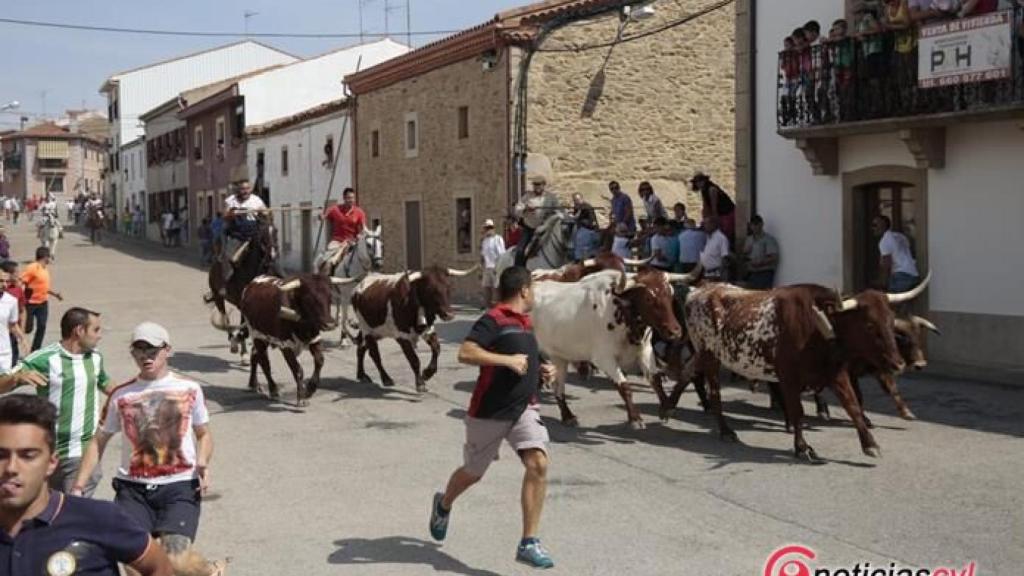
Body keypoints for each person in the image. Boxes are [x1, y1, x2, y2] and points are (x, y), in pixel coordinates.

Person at [429, 267, 557, 569]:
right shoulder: (494, 319)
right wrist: (506, 360)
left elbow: (529, 357)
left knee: (538, 463)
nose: (534, 295)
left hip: (524, 409)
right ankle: (443, 503)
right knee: (474, 472)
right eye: (533, 289)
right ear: (524, 290)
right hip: (489, 412)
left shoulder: (526, 325)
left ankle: (529, 542)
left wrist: (544, 369)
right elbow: (466, 352)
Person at [74, 322, 224, 576]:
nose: (146, 356)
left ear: (167, 350)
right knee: (135, 564)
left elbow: (204, 433)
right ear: (133, 353)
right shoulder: (121, 395)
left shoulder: (189, 389)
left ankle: (210, 571)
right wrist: (78, 486)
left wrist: (202, 461)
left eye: (153, 349)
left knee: (176, 558)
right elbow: (98, 441)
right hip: (133, 490)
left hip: (179, 486)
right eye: (140, 349)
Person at [0, 394, 175, 575]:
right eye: (1, 455)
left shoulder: (99, 519)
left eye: (28, 455)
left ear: (51, 463)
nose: (11, 468)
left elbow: (158, 567)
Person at [0, 307, 109, 497]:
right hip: (48, 451)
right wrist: (17, 378)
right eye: (96, 330)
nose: (100, 336)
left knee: (74, 512)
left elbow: (107, 384)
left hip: (82, 452)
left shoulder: (95, 357)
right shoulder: (44, 358)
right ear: (79, 331)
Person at [222, 175, 267, 282]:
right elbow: (225, 215)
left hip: (254, 234)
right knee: (228, 256)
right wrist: (232, 213)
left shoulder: (256, 200)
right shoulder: (231, 200)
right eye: (243, 189)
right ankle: (225, 282)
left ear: (251, 189)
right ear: (238, 190)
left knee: (271, 253)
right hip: (238, 235)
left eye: (247, 189)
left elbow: (266, 213)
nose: (245, 191)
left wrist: (262, 213)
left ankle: (280, 277)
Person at [21, 247, 63, 352]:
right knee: (27, 328)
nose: (50, 259)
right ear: (45, 257)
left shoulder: (45, 269)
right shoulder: (32, 267)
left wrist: (55, 294)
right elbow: (21, 281)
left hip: (43, 303)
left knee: (42, 326)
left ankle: (35, 349)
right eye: (49, 257)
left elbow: (44, 287)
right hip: (30, 303)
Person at [514, 176, 562, 267]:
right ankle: (518, 269)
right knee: (520, 250)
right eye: (535, 185)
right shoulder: (527, 196)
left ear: (544, 185)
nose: (537, 187)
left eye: (539, 184)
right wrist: (526, 208)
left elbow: (559, 211)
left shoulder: (551, 198)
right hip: (530, 229)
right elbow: (517, 210)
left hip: (546, 229)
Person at [318, 187, 366, 270]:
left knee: (365, 256)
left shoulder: (359, 212)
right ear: (344, 198)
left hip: (352, 242)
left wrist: (360, 235)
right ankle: (327, 277)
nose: (351, 200)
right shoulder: (335, 209)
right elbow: (324, 216)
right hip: (337, 242)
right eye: (348, 198)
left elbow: (363, 229)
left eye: (352, 198)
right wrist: (321, 217)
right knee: (328, 259)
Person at [873, 215, 919, 292]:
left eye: (875, 225)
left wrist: (882, 284)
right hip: (913, 274)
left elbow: (887, 264)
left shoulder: (884, 241)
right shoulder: (900, 236)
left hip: (900, 276)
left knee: (891, 301)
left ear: (883, 225)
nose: (873, 228)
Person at [691, 172, 737, 245]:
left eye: (700, 181)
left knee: (724, 234)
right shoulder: (703, 191)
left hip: (727, 213)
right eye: (697, 182)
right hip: (720, 214)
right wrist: (705, 218)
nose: (698, 184)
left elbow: (714, 206)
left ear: (704, 181)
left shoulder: (712, 189)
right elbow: (705, 205)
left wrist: (715, 220)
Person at [743, 215, 780, 290]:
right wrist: (745, 252)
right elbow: (744, 255)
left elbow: (774, 257)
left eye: (756, 224)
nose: (754, 227)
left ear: (761, 224)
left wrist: (760, 262)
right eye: (752, 224)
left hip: (764, 273)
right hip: (751, 273)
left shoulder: (768, 239)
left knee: (763, 297)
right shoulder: (749, 239)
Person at [2, 261, 26, 366]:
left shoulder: (12, 299)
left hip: (5, 349)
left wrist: (23, 337)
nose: (4, 284)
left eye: (6, 282)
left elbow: (13, 324)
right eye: (1, 281)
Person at [479, 219, 506, 307]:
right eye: (487, 228)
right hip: (487, 267)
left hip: (495, 267)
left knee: (496, 288)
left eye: (490, 228)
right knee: (486, 287)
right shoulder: (484, 240)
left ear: (493, 228)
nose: (488, 230)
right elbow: (483, 255)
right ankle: (488, 307)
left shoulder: (498, 239)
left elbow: (501, 255)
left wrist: (498, 268)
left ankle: (496, 307)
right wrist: (481, 267)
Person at [570, 193, 601, 262]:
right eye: (575, 200)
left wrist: (580, 220)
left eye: (578, 200)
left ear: (582, 199)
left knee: (580, 237)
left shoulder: (586, 206)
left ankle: (579, 257)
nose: (576, 202)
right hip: (581, 228)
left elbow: (592, 222)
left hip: (590, 230)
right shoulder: (577, 207)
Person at [699, 216, 730, 281]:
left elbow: (725, 258)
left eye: (707, 223)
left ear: (713, 224)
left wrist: (719, 275)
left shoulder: (721, 238)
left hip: (717, 274)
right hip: (708, 273)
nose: (705, 226)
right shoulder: (708, 237)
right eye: (704, 224)